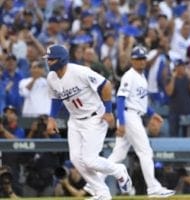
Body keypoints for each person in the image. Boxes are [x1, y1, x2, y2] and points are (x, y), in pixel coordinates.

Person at [44, 44, 132, 200]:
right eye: (48, 59)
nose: (48, 62)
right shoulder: (51, 77)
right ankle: (102, 193)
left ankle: (119, 170)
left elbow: (106, 85)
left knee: (90, 160)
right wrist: (51, 118)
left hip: (94, 117)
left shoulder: (79, 72)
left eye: (52, 59)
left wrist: (108, 111)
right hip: (75, 120)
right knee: (76, 159)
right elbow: (56, 98)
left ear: (61, 60)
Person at [106, 45, 175, 198]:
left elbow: (140, 103)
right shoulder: (129, 76)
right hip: (129, 116)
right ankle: (153, 187)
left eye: (143, 59)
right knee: (145, 152)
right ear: (132, 60)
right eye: (138, 59)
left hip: (134, 115)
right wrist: (122, 123)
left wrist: (153, 113)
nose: (142, 62)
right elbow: (120, 99)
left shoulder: (141, 76)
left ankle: (95, 180)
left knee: (118, 154)